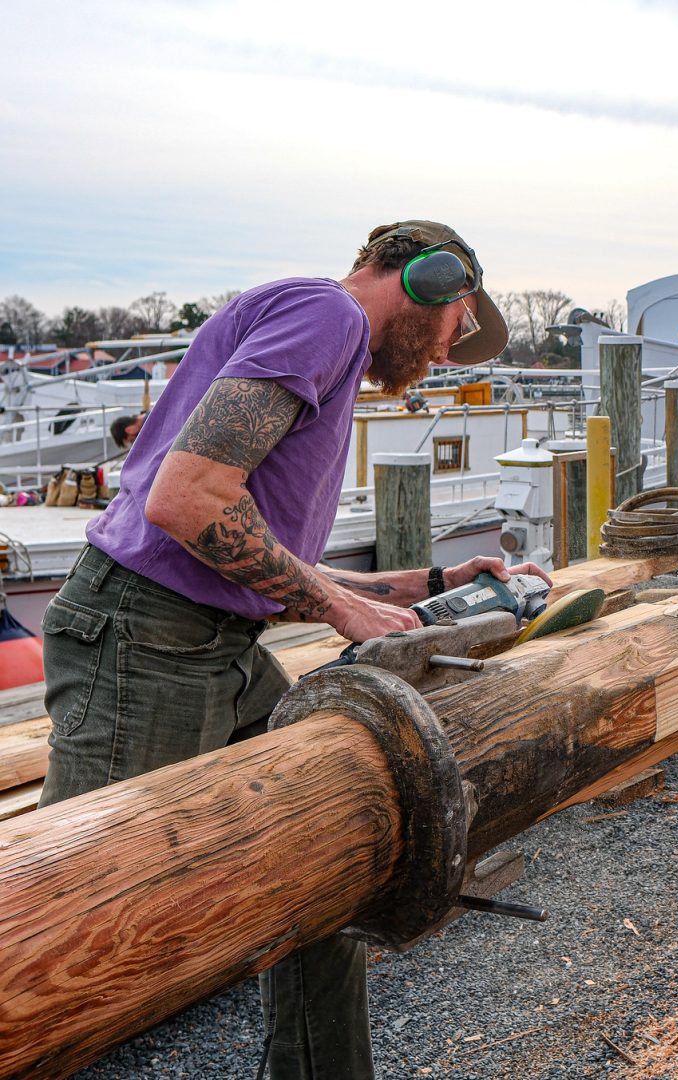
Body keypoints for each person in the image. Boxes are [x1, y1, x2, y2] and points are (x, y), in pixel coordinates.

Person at [39, 220, 549, 1079]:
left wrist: (418, 584)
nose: (449, 348)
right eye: (460, 321)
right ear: (431, 280)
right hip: (145, 642)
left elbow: (245, 547)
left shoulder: (323, 337)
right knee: (67, 919)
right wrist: (341, 614)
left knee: (327, 859)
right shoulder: (328, 316)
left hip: (211, 643)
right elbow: (189, 501)